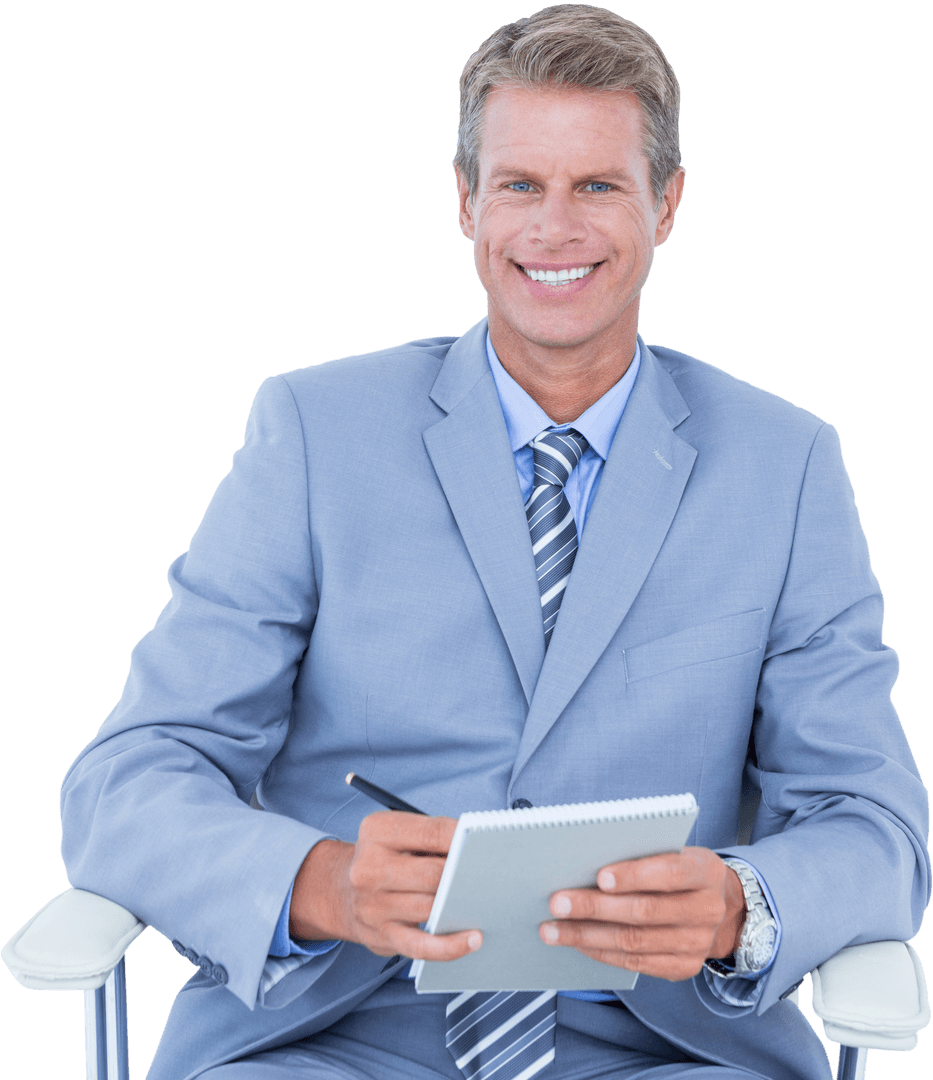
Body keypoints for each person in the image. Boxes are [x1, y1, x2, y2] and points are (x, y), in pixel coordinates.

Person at [58, 6, 930, 1079]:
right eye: (520, 185)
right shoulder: (314, 432)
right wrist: (317, 883)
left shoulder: (785, 465)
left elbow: (874, 822)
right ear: (467, 201)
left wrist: (743, 906)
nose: (554, 227)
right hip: (330, 1037)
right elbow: (131, 776)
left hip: (663, 1048)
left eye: (598, 186)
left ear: (668, 204)